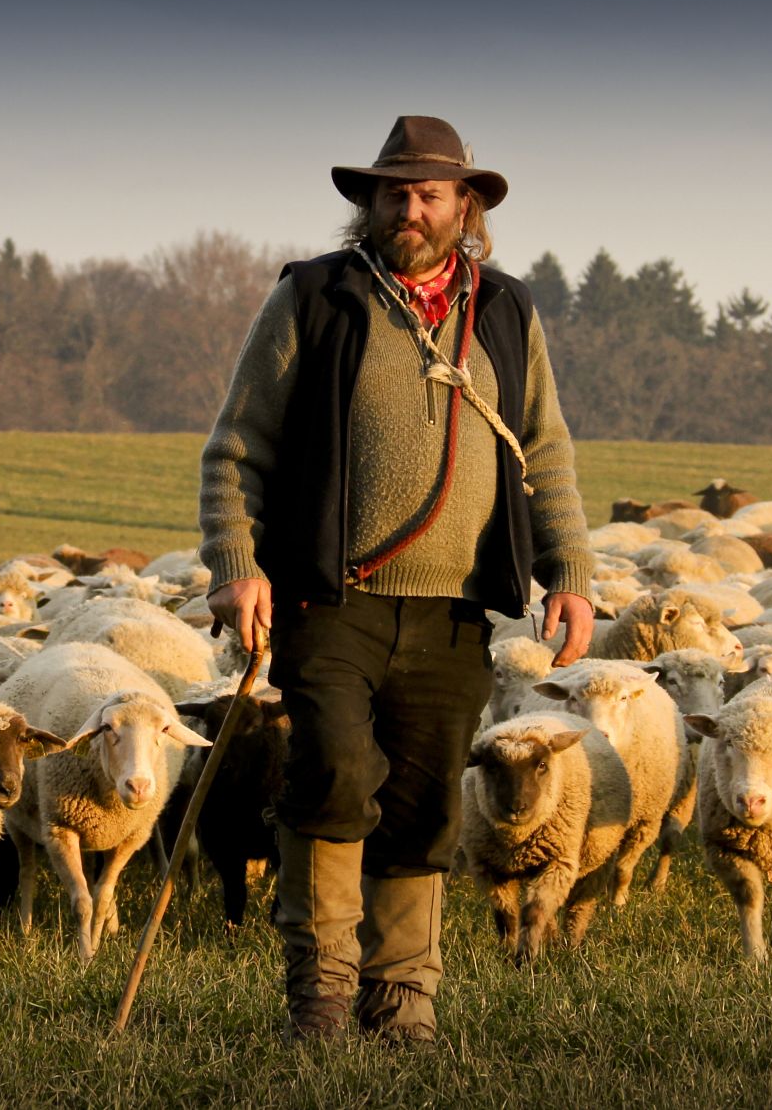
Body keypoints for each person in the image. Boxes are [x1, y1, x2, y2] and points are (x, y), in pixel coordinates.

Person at [198, 114, 596, 1042]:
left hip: (457, 606)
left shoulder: (504, 308)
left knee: (422, 803)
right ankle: (323, 994)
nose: (409, 209)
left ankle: (403, 997)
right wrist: (235, 562)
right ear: (367, 204)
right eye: (393, 192)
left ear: (467, 206)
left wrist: (569, 567)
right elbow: (235, 444)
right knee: (332, 771)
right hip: (330, 597)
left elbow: (545, 448)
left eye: (428, 194)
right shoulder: (315, 296)